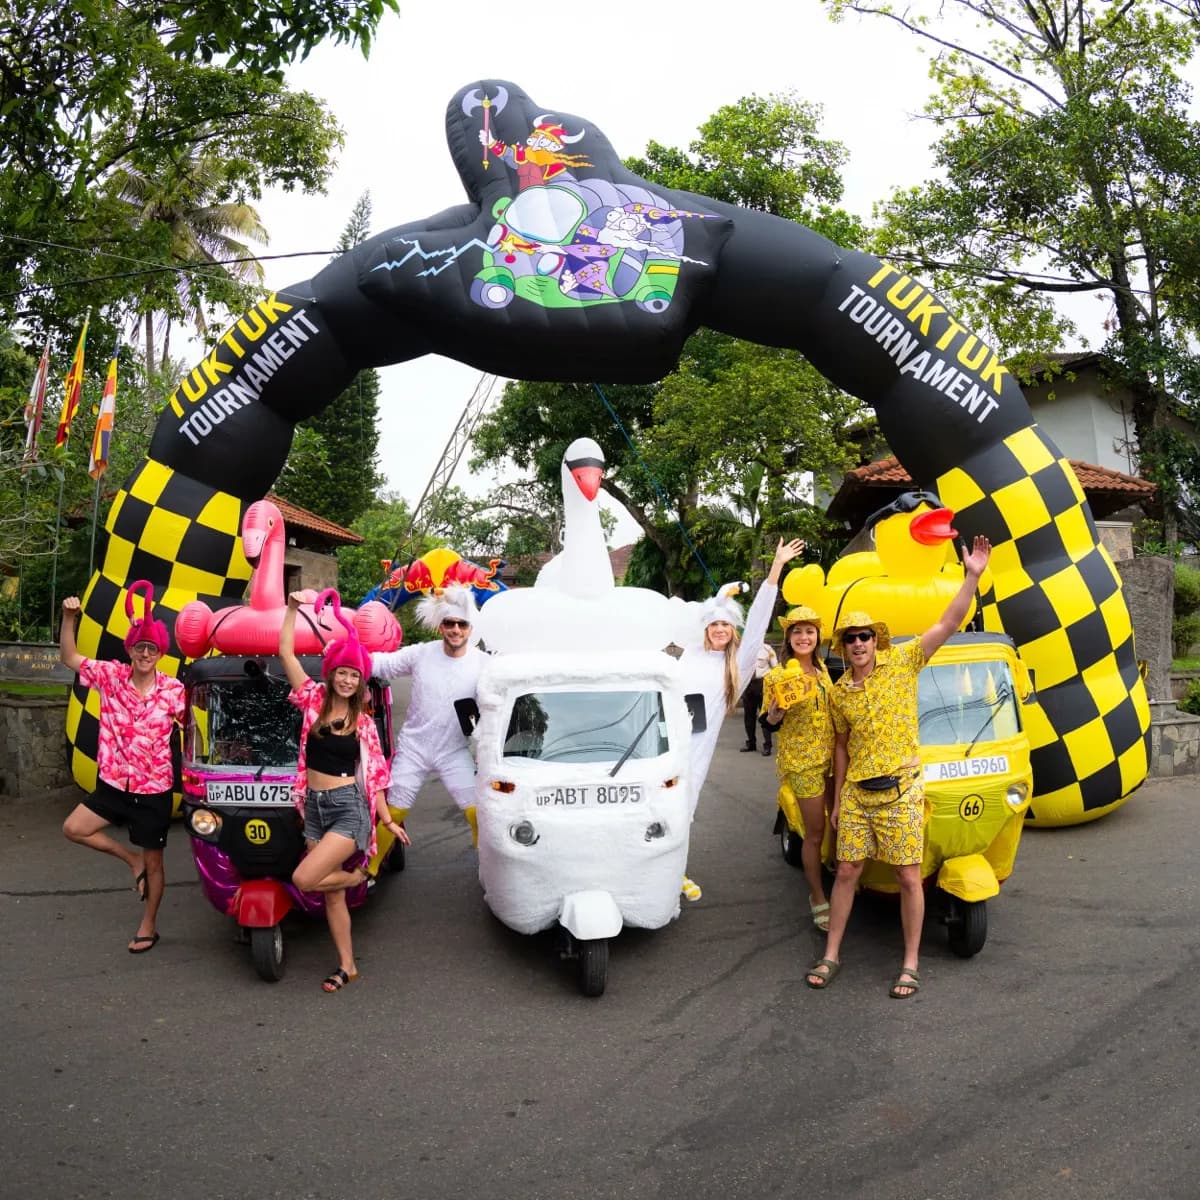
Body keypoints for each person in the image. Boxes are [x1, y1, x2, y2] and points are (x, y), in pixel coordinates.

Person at [805, 535, 992, 998]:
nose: (858, 644)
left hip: (903, 790)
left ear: (876, 640)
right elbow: (841, 748)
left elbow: (949, 622)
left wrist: (971, 577)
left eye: (865, 636)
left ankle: (910, 962)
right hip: (857, 797)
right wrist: (836, 799)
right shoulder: (839, 693)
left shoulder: (904, 662)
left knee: (910, 876)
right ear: (843, 647)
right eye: (850, 638)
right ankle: (831, 954)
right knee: (847, 872)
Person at [280, 589, 406, 992]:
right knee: (328, 895)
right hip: (314, 809)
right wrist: (292, 610)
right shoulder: (313, 700)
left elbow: (376, 777)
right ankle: (347, 965)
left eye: (356, 674)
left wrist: (386, 819)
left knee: (304, 880)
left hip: (347, 809)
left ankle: (358, 880)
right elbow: (285, 653)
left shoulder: (365, 725)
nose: (349, 679)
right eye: (343, 672)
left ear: (361, 679)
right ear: (331, 672)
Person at [59, 582, 185, 954]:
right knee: (74, 828)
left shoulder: (174, 690)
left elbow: (194, 729)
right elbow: (69, 657)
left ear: (160, 652)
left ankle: (149, 924)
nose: (145, 653)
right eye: (139, 646)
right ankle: (129, 858)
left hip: (154, 790)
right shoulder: (110, 678)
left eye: (152, 648)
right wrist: (69, 618)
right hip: (114, 783)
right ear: (130, 648)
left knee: (156, 862)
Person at [678, 538, 806, 901]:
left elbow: (760, 617)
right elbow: (712, 608)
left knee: (683, 804)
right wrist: (723, 597)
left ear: (734, 631)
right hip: (661, 735)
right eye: (714, 624)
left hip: (695, 744)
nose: (719, 629)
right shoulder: (690, 654)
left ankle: (675, 872)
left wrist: (776, 568)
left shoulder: (740, 664)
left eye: (726, 626)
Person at [370, 583, 486, 839]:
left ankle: (489, 872)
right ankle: (367, 872)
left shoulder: (483, 664)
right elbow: (380, 664)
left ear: (470, 628)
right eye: (450, 623)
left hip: (454, 750)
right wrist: (342, 656)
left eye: (462, 624)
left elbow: (513, 679)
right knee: (393, 812)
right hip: (414, 748)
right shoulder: (421, 653)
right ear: (441, 626)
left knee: (479, 814)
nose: (456, 629)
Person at [762, 606, 835, 931]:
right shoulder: (777, 677)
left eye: (809, 631)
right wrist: (775, 714)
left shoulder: (823, 672)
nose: (803, 637)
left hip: (835, 761)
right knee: (815, 832)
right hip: (803, 763)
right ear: (789, 639)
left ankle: (839, 874)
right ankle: (818, 895)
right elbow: (769, 721)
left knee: (840, 823)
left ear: (817, 636)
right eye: (797, 631)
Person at [741, 640, 778, 755]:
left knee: (764, 715)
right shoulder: (742, 650)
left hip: (763, 684)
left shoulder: (767, 649)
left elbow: (775, 668)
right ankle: (751, 743)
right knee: (748, 716)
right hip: (748, 684)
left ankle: (767, 745)